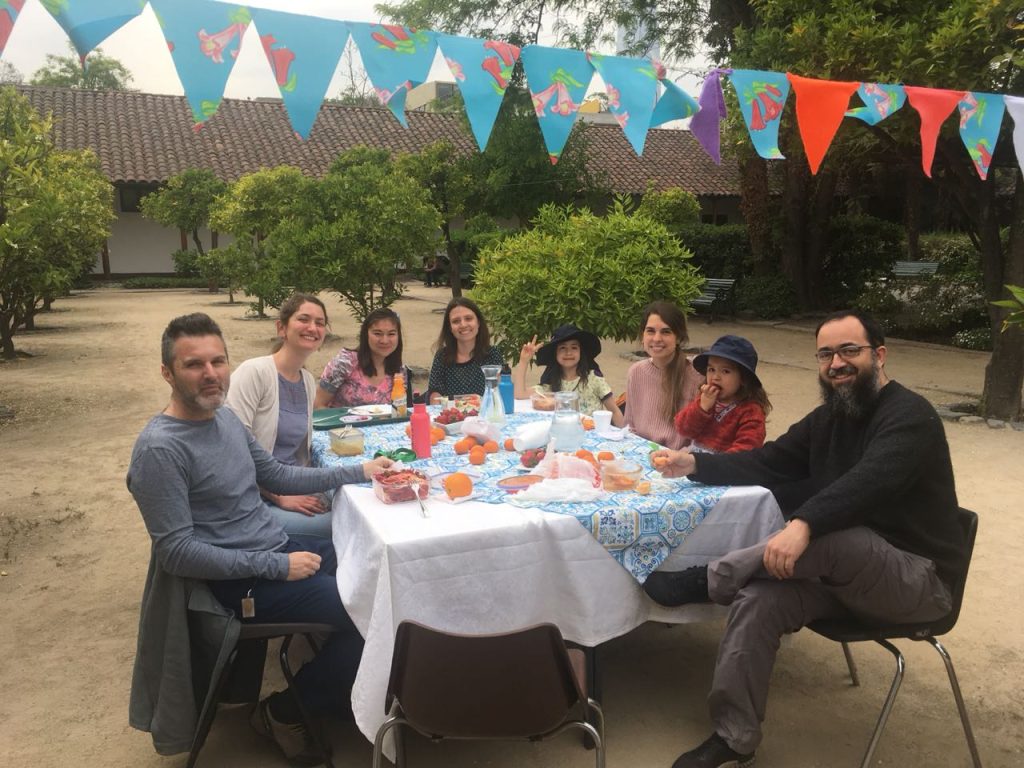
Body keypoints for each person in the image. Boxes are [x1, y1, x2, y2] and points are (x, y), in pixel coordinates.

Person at [645, 309, 966, 768]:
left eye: (849, 351)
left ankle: (709, 579)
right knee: (759, 598)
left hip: (915, 583)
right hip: (842, 580)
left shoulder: (910, 416)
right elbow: (771, 460)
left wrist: (803, 524)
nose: (836, 363)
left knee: (839, 538)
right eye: (826, 354)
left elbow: (869, 482)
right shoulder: (830, 417)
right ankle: (735, 737)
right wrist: (696, 464)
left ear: (879, 355)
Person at [127, 312, 392, 764]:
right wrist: (278, 567)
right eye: (194, 364)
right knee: (370, 612)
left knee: (377, 566)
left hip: (274, 548)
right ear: (167, 373)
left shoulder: (225, 418)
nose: (210, 373)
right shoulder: (160, 449)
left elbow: (276, 474)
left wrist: (359, 471)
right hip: (239, 582)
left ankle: (348, 685)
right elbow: (176, 552)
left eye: (218, 361)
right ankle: (283, 712)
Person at [226, 293, 333, 538]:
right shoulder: (254, 372)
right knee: (339, 527)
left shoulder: (307, 380)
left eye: (319, 322)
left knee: (354, 505)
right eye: (303, 319)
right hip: (255, 496)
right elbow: (233, 449)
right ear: (281, 328)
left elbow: (299, 453)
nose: (312, 328)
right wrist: (279, 496)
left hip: (292, 484)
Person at [674, 334, 771, 454]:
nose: (715, 377)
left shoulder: (751, 412)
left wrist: (715, 463)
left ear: (743, 378)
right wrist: (701, 408)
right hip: (693, 459)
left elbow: (746, 451)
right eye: (711, 369)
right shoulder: (705, 399)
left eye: (725, 371)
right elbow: (683, 430)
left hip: (724, 464)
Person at [625, 301, 703, 449]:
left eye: (666, 332)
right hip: (639, 453)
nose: (656, 339)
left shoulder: (696, 376)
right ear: (642, 335)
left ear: (678, 337)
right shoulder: (635, 372)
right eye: (650, 331)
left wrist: (679, 457)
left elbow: (700, 440)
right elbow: (629, 426)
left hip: (677, 458)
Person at [513, 323, 625, 425]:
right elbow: (520, 394)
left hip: (592, 434)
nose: (568, 352)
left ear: (581, 352)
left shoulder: (594, 379)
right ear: (555, 354)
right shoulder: (551, 384)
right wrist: (524, 361)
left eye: (574, 347)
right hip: (563, 434)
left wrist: (624, 435)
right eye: (562, 348)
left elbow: (614, 411)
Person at [314, 307, 406, 410]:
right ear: (365, 335)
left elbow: (400, 412)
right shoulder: (345, 363)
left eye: (391, 334)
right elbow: (318, 404)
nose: (384, 340)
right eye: (377, 333)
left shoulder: (400, 372)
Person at [426, 297, 503, 404]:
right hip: (451, 414)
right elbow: (435, 396)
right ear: (450, 328)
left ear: (478, 322)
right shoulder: (442, 356)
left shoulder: (492, 354)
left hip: (485, 413)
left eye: (468, 318)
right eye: (456, 321)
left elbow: (500, 392)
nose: (463, 325)